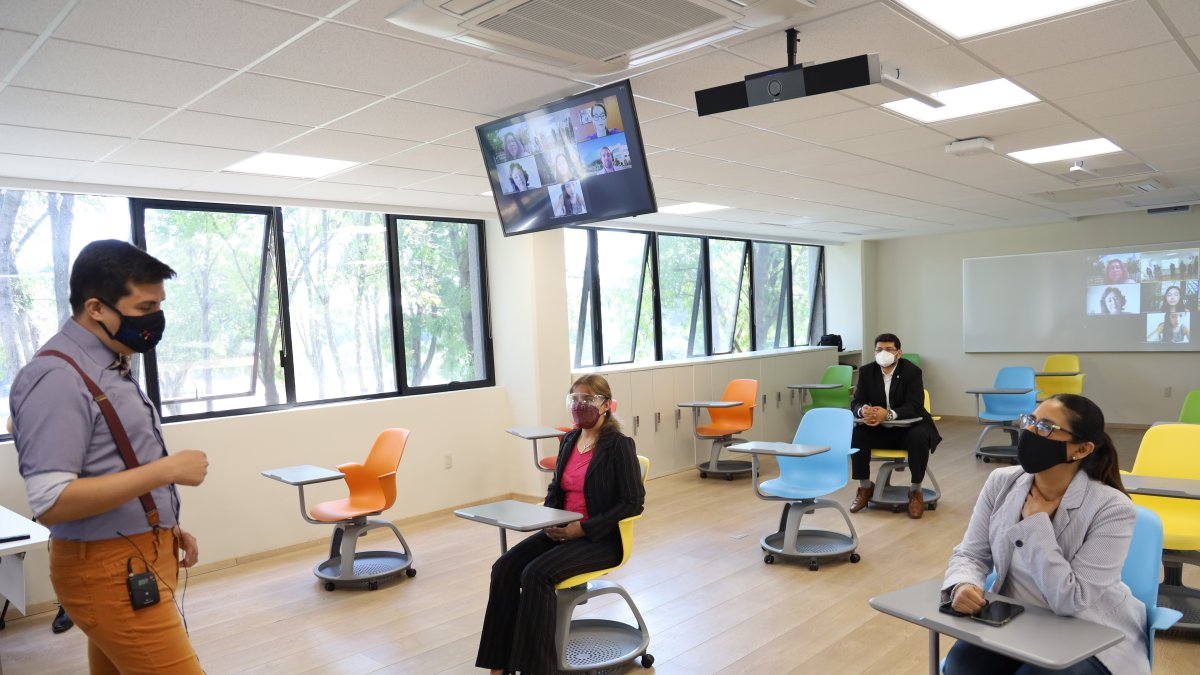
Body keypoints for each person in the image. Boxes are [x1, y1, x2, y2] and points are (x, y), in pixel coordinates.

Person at [9, 239, 208, 674]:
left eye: (159, 305)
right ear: (96, 308)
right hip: (109, 570)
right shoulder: (57, 377)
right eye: (144, 307)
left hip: (137, 554)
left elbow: (110, 463)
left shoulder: (109, 364)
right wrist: (167, 471)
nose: (155, 318)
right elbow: (52, 501)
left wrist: (162, 526)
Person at [941, 394, 1147, 675]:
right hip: (1017, 619)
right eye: (1030, 420)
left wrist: (1036, 525)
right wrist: (964, 584)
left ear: (1082, 449)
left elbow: (1072, 600)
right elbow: (971, 553)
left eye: (1046, 427)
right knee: (961, 667)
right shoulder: (1001, 481)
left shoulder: (1113, 508)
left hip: (1088, 629)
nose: (1030, 431)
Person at [476, 374, 645, 675]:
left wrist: (584, 528)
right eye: (575, 399)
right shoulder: (569, 439)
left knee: (536, 574)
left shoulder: (618, 446)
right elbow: (556, 490)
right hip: (561, 529)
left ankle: (538, 669)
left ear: (606, 405)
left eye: (588, 399)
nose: (580, 405)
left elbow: (632, 502)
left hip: (600, 539)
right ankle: (498, 663)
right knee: (504, 568)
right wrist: (546, 519)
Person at [848, 333, 941, 518]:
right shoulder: (867, 372)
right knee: (858, 434)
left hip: (908, 429)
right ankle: (865, 487)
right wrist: (862, 410)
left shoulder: (912, 372)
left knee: (919, 436)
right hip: (879, 430)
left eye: (889, 349)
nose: (883, 353)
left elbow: (915, 406)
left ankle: (915, 491)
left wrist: (888, 414)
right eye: (879, 349)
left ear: (899, 353)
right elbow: (856, 401)